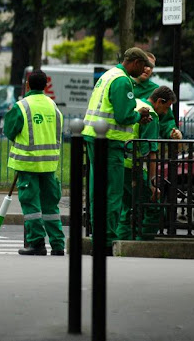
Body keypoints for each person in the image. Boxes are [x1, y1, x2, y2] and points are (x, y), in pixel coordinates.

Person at [82, 47, 152, 255]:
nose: (144, 70)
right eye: (144, 66)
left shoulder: (108, 75)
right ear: (135, 62)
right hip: (110, 141)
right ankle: (107, 238)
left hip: (94, 137)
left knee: (97, 189)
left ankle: (98, 235)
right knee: (113, 192)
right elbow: (122, 115)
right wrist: (139, 115)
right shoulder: (122, 81)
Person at [3, 70, 65, 256]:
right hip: (49, 165)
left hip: (28, 164)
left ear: (27, 85)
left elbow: (9, 131)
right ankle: (58, 244)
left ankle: (36, 243)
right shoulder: (53, 106)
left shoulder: (22, 106)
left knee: (31, 206)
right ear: (46, 85)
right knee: (50, 206)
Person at [118, 86, 177, 241]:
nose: (165, 112)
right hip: (133, 167)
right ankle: (141, 243)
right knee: (153, 207)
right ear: (159, 101)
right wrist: (152, 183)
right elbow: (150, 152)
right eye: (166, 106)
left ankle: (121, 240)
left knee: (127, 208)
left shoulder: (137, 104)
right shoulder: (150, 115)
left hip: (120, 163)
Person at [132, 52, 182, 140]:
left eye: (151, 67)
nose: (148, 69)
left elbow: (165, 119)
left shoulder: (156, 90)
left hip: (142, 145)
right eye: (145, 64)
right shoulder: (123, 83)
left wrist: (172, 132)